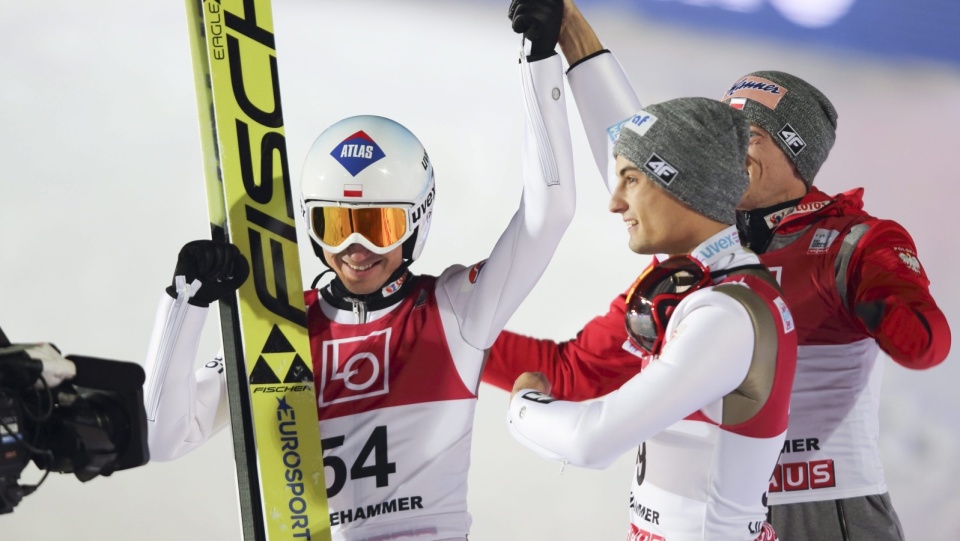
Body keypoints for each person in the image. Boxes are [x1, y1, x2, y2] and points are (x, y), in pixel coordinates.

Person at [483, 1, 953, 539]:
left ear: (794, 154)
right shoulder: (691, 261)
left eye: (747, 135)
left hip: (824, 511)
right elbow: (569, 374)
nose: (725, 147)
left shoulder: (850, 243)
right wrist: (442, 338)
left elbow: (927, 344)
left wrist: (892, 312)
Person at [140, 10, 578, 540]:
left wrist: (539, 62)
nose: (355, 248)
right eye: (335, 224)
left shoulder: (456, 311)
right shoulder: (282, 328)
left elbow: (548, 213)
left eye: (378, 225)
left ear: (417, 222)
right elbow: (163, 439)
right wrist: (186, 300)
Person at [507, 96, 797, 541]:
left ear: (685, 186)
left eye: (632, 179)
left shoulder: (727, 314)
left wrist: (523, 404)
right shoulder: (709, 288)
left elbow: (591, 440)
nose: (614, 202)